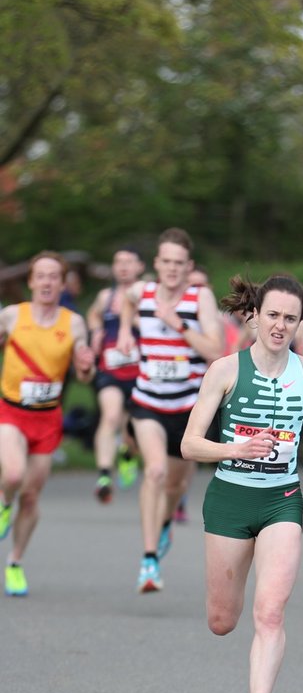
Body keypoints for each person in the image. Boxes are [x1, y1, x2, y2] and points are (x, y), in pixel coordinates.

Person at [181, 273, 303, 693]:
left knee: (270, 611)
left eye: (290, 318)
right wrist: (237, 447)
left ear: (300, 323)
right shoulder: (224, 371)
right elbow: (189, 444)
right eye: (272, 315)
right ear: (254, 315)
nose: (279, 325)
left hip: (282, 501)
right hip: (230, 500)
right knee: (222, 621)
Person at [117, 228, 224, 593]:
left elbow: (216, 350)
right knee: (156, 472)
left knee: (176, 483)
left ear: (188, 265)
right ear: (157, 264)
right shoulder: (142, 291)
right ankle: (149, 561)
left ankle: (164, 527)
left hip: (188, 409)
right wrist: (124, 335)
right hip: (147, 402)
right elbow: (126, 299)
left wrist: (176, 324)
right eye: (167, 262)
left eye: (180, 263)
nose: (173, 269)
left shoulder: (200, 298)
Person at [0, 251, 95, 595]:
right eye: (40, 275)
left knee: (31, 493)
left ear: (62, 282)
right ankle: (3, 503)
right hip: (11, 411)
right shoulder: (12, 316)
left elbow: (85, 374)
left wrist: (86, 363)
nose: (46, 282)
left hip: (47, 418)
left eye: (54, 276)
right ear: (30, 281)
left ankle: (15, 562)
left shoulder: (72, 323)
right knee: (12, 475)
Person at [87, 246, 145, 502]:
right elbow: (92, 314)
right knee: (110, 417)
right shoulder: (105, 296)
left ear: (140, 266)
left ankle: (128, 453)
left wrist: (132, 319)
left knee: (131, 428)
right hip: (110, 369)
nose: (123, 267)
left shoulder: (148, 293)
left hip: (140, 372)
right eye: (118, 261)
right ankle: (103, 475)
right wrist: (96, 331)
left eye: (129, 261)